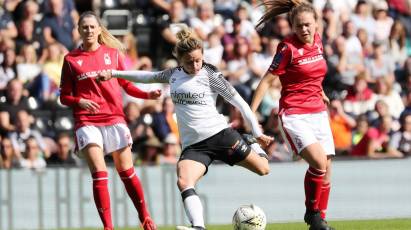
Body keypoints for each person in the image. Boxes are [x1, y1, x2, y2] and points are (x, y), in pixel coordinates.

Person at [97, 27, 272, 230]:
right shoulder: (173, 75)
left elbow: (240, 103)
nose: (196, 65)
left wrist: (257, 133)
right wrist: (114, 73)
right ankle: (198, 226)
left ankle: (250, 142)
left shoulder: (210, 73)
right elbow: (147, 76)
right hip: (194, 145)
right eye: (190, 61)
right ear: (180, 60)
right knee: (183, 180)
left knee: (263, 169)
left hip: (220, 135)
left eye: (198, 60)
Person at [58, 11, 159, 230]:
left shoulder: (113, 54)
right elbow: (64, 96)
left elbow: (127, 84)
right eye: (84, 27)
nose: (89, 31)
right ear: (78, 30)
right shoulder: (71, 59)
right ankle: (108, 227)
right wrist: (79, 101)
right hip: (87, 121)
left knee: (126, 172)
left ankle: (145, 217)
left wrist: (147, 95)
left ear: (99, 29)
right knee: (100, 173)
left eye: (92, 27)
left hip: (114, 118)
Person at [251, 1, 336, 230]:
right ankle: (312, 211)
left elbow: (314, 73)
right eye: (299, 26)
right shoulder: (287, 48)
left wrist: (322, 91)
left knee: (327, 169)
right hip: (295, 113)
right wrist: (251, 113)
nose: (304, 30)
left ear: (316, 24)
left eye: (307, 25)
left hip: (318, 110)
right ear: (293, 26)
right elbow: (267, 81)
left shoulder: (318, 41)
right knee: (318, 162)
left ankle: (319, 223)